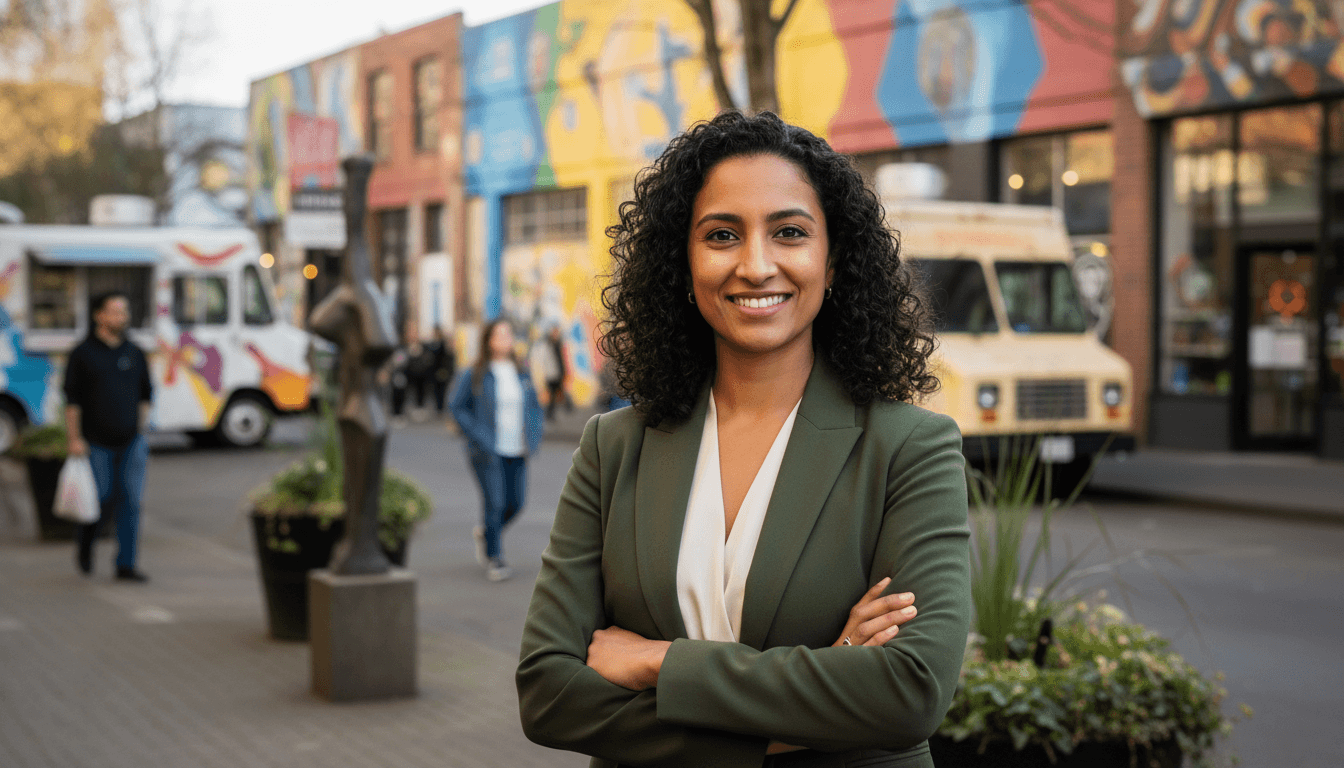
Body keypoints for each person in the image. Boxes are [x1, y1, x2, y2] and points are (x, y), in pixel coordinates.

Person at [517, 111, 970, 767]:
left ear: (833, 259)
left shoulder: (909, 449)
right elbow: (549, 694)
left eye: (789, 232)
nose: (757, 266)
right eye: (722, 235)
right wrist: (818, 699)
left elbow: (909, 692)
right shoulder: (613, 448)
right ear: (684, 262)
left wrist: (659, 662)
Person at [64, 292, 153, 582]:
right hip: (95, 442)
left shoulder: (135, 353)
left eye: (124, 311)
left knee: (131, 501)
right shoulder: (83, 354)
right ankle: (86, 544)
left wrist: (141, 431)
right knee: (100, 497)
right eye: (114, 311)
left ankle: (125, 565)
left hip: (131, 442)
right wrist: (74, 438)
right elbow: (72, 401)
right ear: (99, 316)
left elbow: (145, 395)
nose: (121, 317)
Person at [450, 319, 543, 582]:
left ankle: (488, 533)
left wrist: (535, 434)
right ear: (488, 340)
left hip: (518, 449)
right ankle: (495, 558)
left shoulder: (521, 372)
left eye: (508, 334)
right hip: (488, 451)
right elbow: (456, 407)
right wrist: (480, 436)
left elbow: (534, 407)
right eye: (499, 334)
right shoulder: (477, 372)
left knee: (517, 503)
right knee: (495, 503)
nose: (505, 339)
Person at [536, 325, 571, 421]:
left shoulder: (559, 344)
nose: (556, 334)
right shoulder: (548, 345)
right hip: (552, 374)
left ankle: (565, 408)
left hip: (559, 373)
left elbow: (562, 360)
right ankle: (556, 411)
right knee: (554, 394)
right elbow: (545, 361)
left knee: (559, 392)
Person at [427, 325, 457, 415]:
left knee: (442, 390)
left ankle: (441, 407)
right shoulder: (432, 344)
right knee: (436, 390)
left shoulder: (443, 344)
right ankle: (438, 407)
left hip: (442, 370)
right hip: (434, 371)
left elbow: (448, 357)